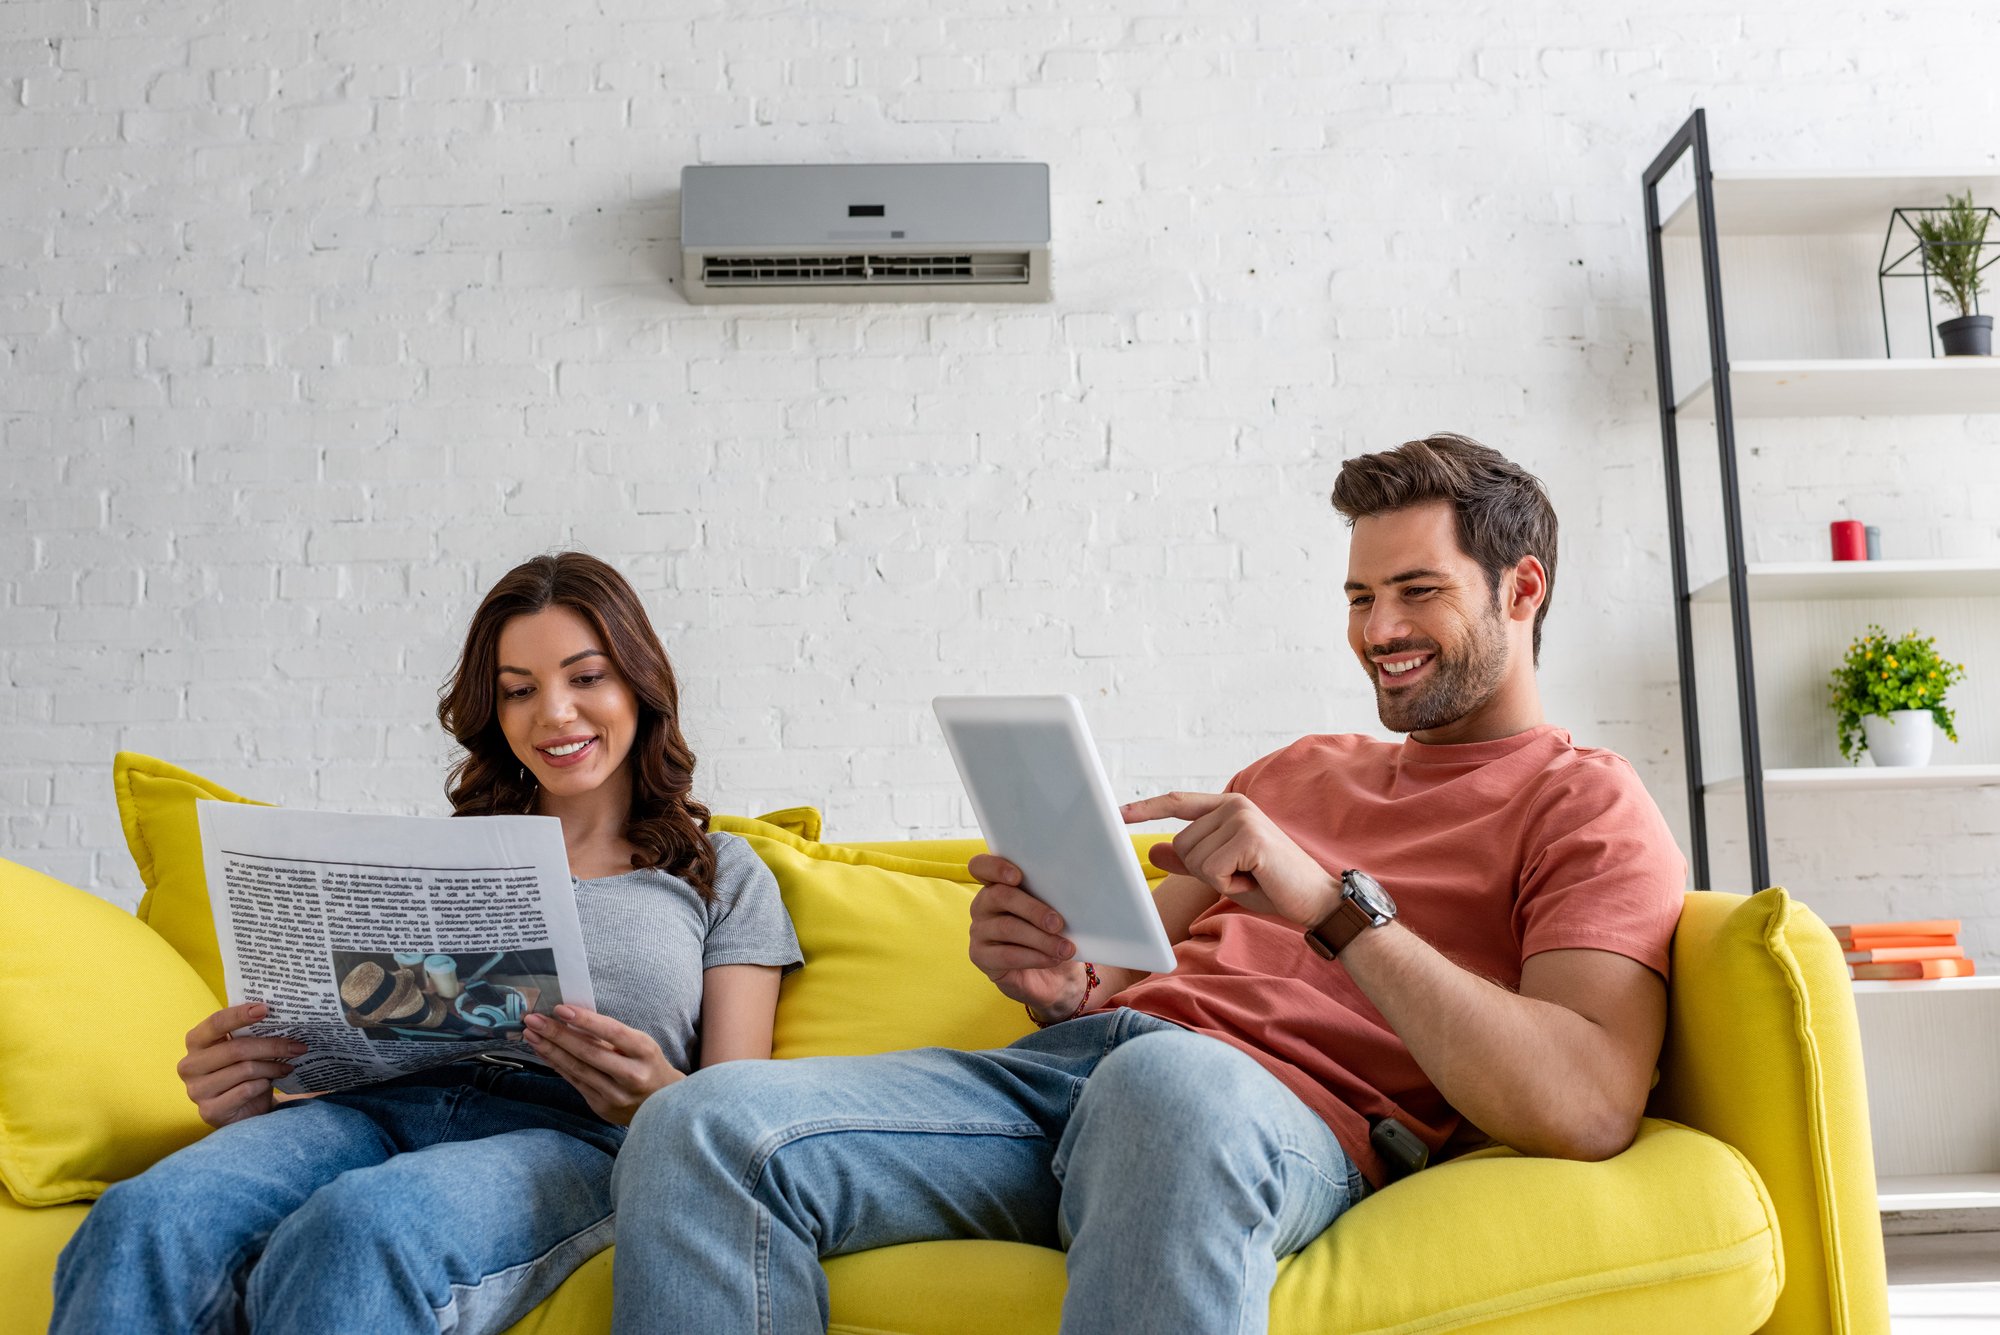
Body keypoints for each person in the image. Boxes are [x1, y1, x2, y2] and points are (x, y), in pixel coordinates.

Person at [607, 434, 1687, 1334]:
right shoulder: (1295, 771)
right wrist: (1052, 973)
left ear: (1522, 589)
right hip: (1072, 1083)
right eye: (1358, 596)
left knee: (1165, 1087)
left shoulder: (1581, 803)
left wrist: (1332, 905)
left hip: (1267, 1119)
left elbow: (1585, 1104)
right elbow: (1118, 970)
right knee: (699, 1126)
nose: (1376, 632)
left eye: (1415, 592)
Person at [51, 552, 802, 1335]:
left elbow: (734, 1114)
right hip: (371, 1109)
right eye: (519, 689)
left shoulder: (724, 873)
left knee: (365, 1226)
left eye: (587, 676)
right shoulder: (439, 859)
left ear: (640, 684)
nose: (554, 713)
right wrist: (249, 1091)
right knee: (147, 1213)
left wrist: (657, 1096)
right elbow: (363, 1035)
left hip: (572, 1136)